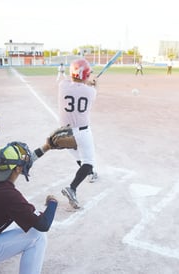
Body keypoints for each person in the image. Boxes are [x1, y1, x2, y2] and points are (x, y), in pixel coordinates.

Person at [0, 141, 58, 274]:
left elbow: (22, 164)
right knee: (38, 236)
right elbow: (43, 224)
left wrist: (45, 148)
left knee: (22, 222)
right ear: (17, 169)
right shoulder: (8, 195)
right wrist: (53, 202)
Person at [58, 58, 98, 209]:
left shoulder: (63, 86)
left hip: (64, 134)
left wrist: (84, 80)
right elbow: (86, 87)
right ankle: (72, 188)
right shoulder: (91, 91)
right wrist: (91, 83)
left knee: (79, 157)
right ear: (86, 75)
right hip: (82, 132)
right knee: (88, 163)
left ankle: (91, 173)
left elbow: (74, 82)